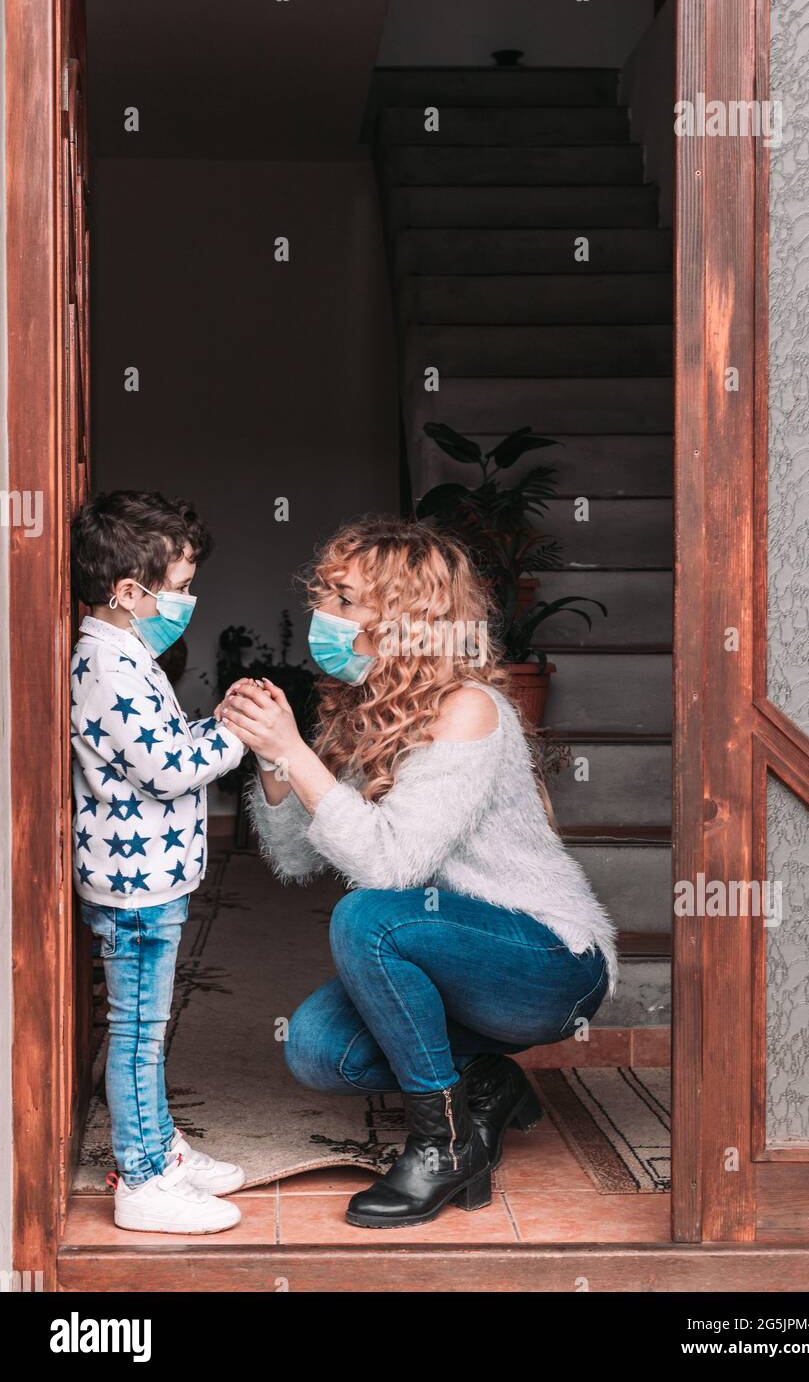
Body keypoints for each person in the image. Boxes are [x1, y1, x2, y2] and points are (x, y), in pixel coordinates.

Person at [220, 515, 619, 1230]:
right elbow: (291, 857)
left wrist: (301, 757)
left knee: (372, 918)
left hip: (548, 963)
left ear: (406, 618)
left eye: (343, 600)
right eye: (325, 595)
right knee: (317, 1050)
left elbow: (389, 863)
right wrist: (275, 757)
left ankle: (445, 1146)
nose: (323, 615)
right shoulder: (366, 710)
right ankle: (488, 1083)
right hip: (449, 959)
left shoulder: (470, 711)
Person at [70, 490, 247, 1234]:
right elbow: (167, 768)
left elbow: (162, 745)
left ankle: (159, 1146)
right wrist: (240, 731)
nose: (186, 602)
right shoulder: (108, 665)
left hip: (146, 880)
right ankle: (140, 1181)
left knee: (146, 1027)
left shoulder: (126, 651)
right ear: (128, 591)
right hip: (134, 891)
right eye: (176, 588)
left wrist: (214, 722)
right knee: (140, 1030)